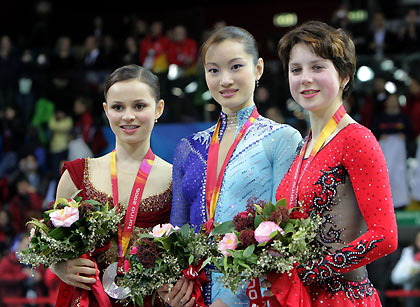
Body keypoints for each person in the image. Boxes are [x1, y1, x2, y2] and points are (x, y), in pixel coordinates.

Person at [168, 26, 302, 306]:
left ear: (258, 68)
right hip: (193, 295)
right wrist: (174, 284)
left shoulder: (282, 139)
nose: (224, 80)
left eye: (236, 66)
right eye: (213, 70)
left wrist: (230, 298)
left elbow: (281, 233)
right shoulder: (188, 148)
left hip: (252, 294)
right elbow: (176, 231)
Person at [266, 20, 398, 306]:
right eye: (296, 69)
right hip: (301, 297)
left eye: (318, 67)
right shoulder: (304, 146)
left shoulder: (357, 139)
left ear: (345, 75)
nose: (305, 78)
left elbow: (386, 236)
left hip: (343, 298)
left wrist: (314, 270)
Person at [49, 64, 190, 306]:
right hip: (87, 299)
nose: (128, 116)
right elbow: (51, 246)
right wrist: (60, 267)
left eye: (139, 106)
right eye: (118, 107)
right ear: (106, 110)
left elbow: (187, 256)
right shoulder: (76, 174)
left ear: (159, 108)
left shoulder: (177, 178)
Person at [391, 230, 420, 307]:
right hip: (413, 295)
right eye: (419, 240)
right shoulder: (409, 252)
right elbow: (395, 278)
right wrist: (412, 272)